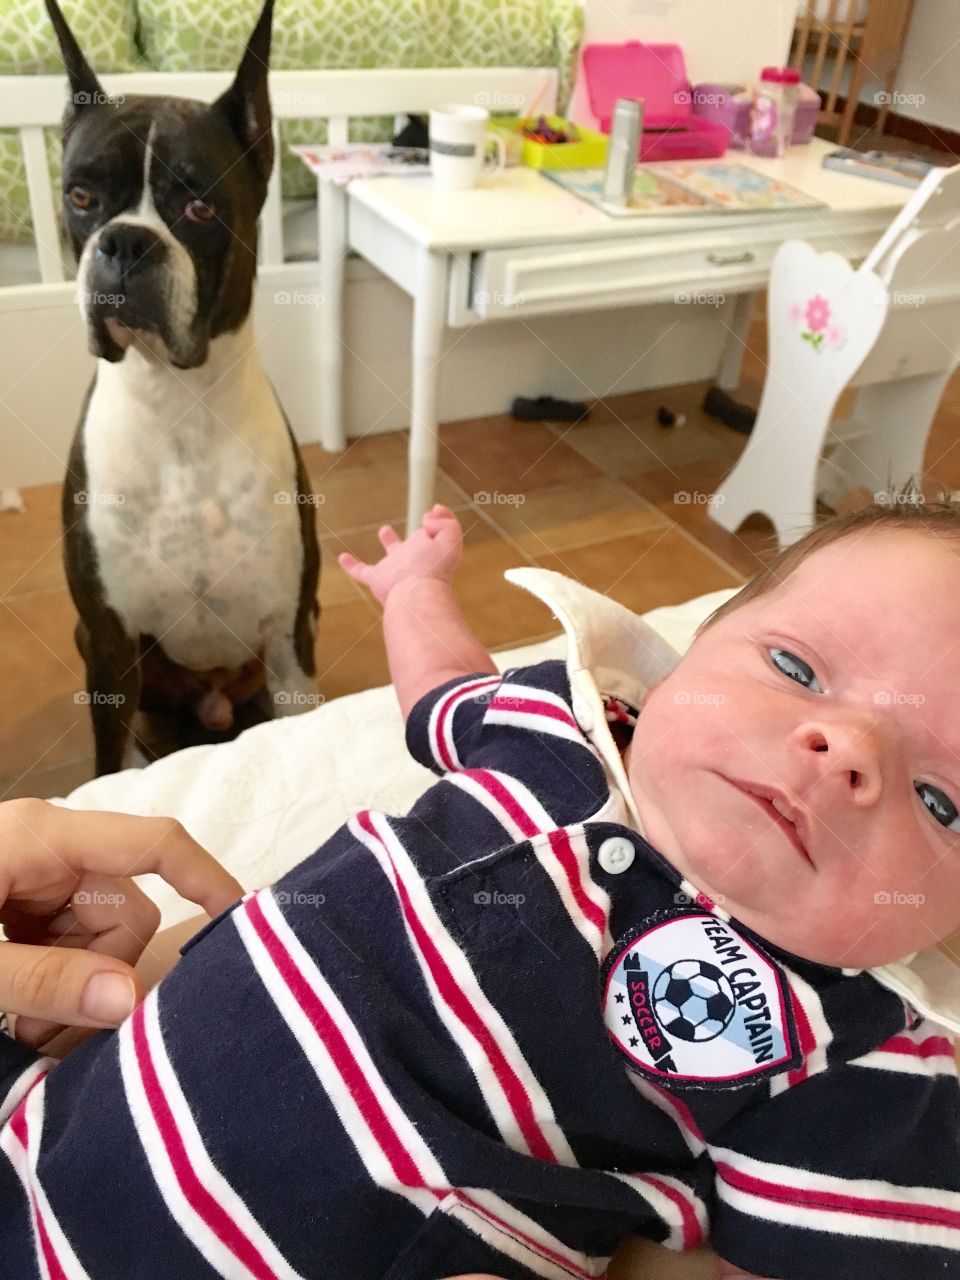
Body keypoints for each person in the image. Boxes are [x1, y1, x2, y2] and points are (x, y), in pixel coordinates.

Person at [3, 493, 960, 1280]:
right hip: (40, 1123)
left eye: (940, 801)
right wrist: (414, 590)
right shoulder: (563, 726)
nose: (848, 753)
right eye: (796, 667)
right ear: (680, 662)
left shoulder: (861, 1046)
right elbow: (444, 692)